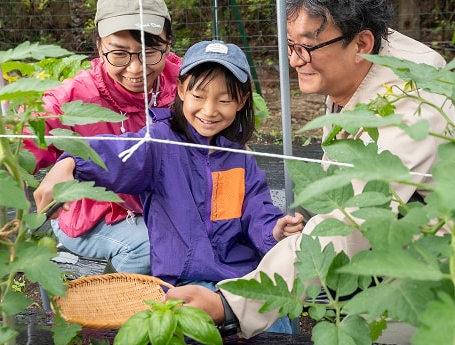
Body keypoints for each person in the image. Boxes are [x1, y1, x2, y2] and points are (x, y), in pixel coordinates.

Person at [167, 0, 455, 338]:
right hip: (409, 239)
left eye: (306, 47)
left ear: (362, 43)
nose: (294, 60)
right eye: (291, 44)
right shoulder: (359, 62)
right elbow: (342, 169)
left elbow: (351, 226)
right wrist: (306, 212)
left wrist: (231, 304)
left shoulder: (408, 108)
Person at [33, 39, 305, 295]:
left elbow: (257, 208)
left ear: (242, 101)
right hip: (184, 279)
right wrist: (72, 162)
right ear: (182, 90)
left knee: (272, 321)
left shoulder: (239, 157)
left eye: (224, 100)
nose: (209, 110)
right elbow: (118, 153)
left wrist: (274, 230)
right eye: (199, 96)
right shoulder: (159, 143)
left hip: (240, 275)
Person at [25, 0, 180, 274]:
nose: (136, 69)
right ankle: (118, 297)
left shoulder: (183, 83)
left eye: (149, 52)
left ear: (168, 46)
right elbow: (23, 132)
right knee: (149, 248)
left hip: (167, 207)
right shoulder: (77, 97)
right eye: (119, 53)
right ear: (99, 47)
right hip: (93, 213)